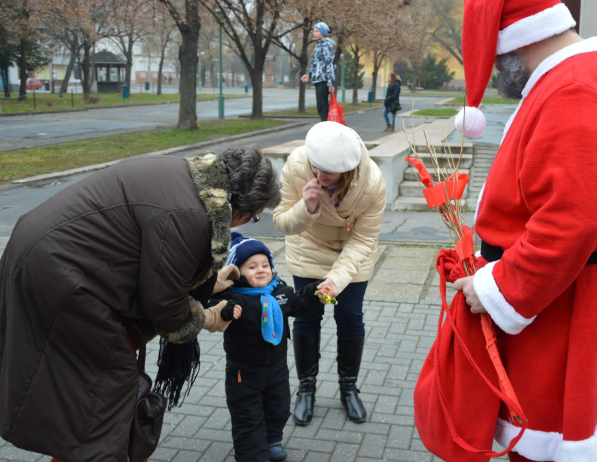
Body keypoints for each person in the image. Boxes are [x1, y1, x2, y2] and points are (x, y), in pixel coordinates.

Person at [450, 0, 597, 461]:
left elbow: (575, 220)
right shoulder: (579, 76)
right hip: (575, 291)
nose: (495, 74)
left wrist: (498, 288)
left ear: (513, 44)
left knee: (546, 444)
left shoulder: (576, 88)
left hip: (577, 301)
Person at [0, 145, 281, 462]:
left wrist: (209, 281)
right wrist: (209, 317)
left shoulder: (184, 177)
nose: (247, 222)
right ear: (239, 207)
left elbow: (153, 263)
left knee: (88, 398)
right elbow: (163, 304)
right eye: (254, 217)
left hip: (47, 259)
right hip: (64, 279)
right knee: (105, 395)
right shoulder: (189, 214)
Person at [273, 121, 386, 426]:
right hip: (309, 247)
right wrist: (306, 207)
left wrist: (336, 281)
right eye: (316, 167)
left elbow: (364, 239)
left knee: (349, 316)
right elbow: (281, 221)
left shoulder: (372, 183)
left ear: (347, 171)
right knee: (307, 316)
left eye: (329, 173)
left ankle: (348, 388)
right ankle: (306, 389)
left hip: (352, 254)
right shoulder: (296, 165)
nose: (319, 177)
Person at [211, 235, 322, 462]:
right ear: (237, 273)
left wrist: (321, 293)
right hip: (244, 372)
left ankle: (272, 440)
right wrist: (226, 311)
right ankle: (252, 454)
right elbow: (213, 306)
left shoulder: (280, 292)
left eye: (265, 265)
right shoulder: (234, 296)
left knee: (278, 408)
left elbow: (300, 302)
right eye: (252, 267)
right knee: (247, 416)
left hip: (277, 369)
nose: (261, 270)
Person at [300, 22, 336, 121]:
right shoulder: (318, 45)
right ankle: (325, 128)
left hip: (323, 81)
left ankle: (326, 131)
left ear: (323, 33)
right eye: (314, 31)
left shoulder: (327, 46)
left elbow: (330, 65)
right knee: (321, 107)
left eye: (317, 31)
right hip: (318, 80)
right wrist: (308, 74)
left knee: (323, 108)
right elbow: (316, 64)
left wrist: (330, 83)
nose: (314, 33)